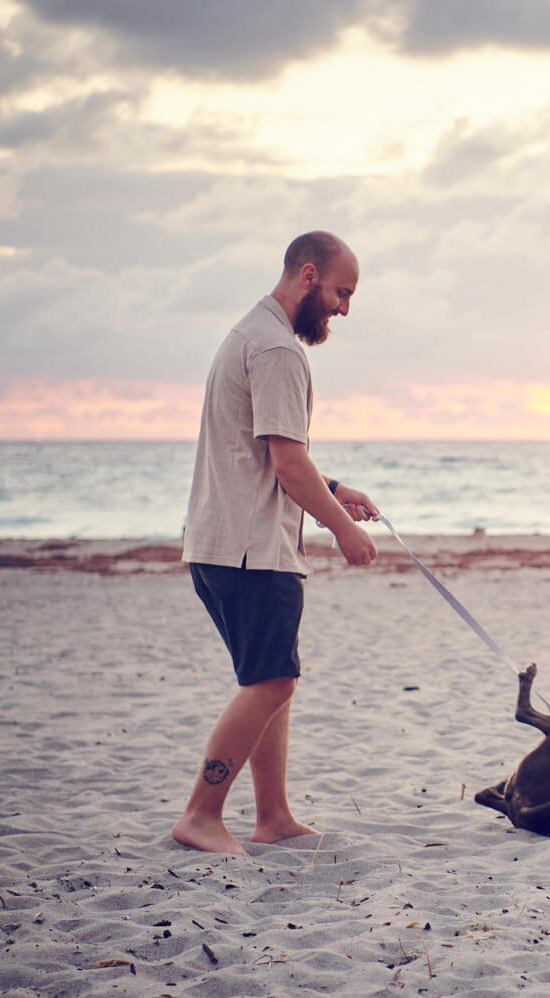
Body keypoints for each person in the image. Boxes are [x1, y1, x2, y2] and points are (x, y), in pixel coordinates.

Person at [173, 231, 380, 856]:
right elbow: (288, 463)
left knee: (273, 678)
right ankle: (201, 814)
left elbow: (263, 447)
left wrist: (335, 488)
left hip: (217, 543)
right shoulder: (277, 351)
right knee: (271, 684)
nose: (345, 308)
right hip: (249, 550)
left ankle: (273, 817)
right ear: (309, 276)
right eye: (342, 292)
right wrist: (341, 528)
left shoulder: (249, 334)